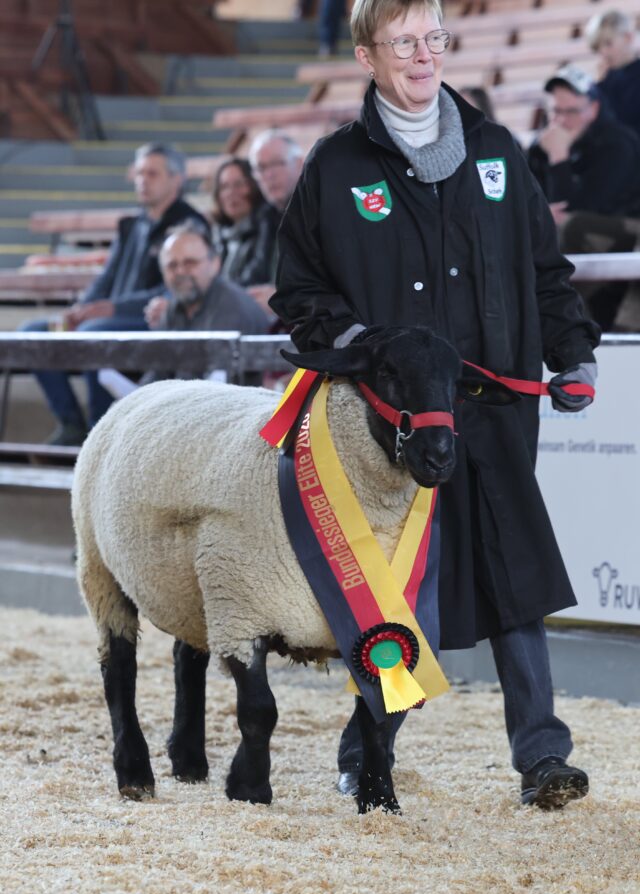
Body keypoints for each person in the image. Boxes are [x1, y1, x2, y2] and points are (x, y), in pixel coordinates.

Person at [270, 0, 601, 810]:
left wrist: (574, 353)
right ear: (366, 55)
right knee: (399, 590)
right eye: (404, 42)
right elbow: (299, 291)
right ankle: (368, 751)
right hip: (397, 423)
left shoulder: (497, 151)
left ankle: (543, 757)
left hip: (496, 409)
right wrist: (367, 347)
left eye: (434, 39)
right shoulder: (336, 166)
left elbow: (545, 270)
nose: (424, 56)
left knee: (517, 577)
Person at [23, 143, 209, 445]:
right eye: (139, 173)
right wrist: (81, 308)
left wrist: (114, 308)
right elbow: (107, 278)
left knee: (93, 334)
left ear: (176, 179)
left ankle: (99, 432)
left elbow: (177, 290)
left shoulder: (190, 225)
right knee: (32, 334)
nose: (142, 181)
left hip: (153, 322)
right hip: (106, 320)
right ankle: (70, 424)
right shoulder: (132, 225)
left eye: (152, 173)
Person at [528, 64, 640, 329]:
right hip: (579, 233)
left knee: (570, 226)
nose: (561, 121)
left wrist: (559, 159)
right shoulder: (543, 146)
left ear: (594, 108)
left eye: (572, 111)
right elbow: (530, 200)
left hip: (628, 228)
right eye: (556, 111)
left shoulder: (617, 144)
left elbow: (580, 209)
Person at [138, 221, 271, 385]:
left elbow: (211, 388)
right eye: (172, 265)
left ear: (215, 264)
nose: (180, 271)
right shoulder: (175, 307)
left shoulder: (232, 309)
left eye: (190, 262)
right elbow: (157, 374)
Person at [246, 130, 305, 319]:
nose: (269, 174)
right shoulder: (265, 216)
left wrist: (285, 298)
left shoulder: (321, 211)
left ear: (299, 164)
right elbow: (254, 274)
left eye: (277, 164)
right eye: (261, 167)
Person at [210, 158, 275, 287]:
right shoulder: (218, 234)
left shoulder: (268, 225)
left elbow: (257, 274)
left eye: (239, 184)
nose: (231, 193)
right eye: (224, 187)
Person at [585, 9, 640, 138]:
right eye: (598, 47)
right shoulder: (605, 80)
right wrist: (599, 86)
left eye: (608, 43)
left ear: (628, 37)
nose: (603, 52)